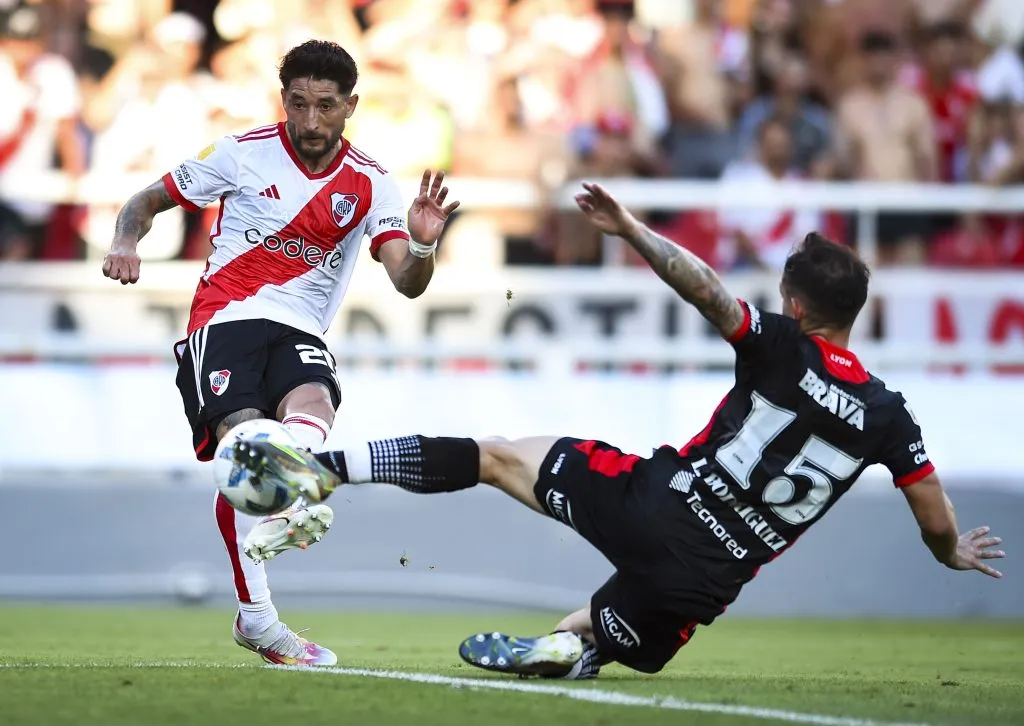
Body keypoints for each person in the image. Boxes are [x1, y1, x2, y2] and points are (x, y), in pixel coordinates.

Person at [227, 181, 1004, 680]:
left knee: (498, 457)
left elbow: (705, 290)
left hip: (660, 505)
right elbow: (933, 513)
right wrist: (952, 553)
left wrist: (631, 229)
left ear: (796, 307)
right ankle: (576, 646)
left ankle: (328, 468)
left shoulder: (780, 344)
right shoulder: (888, 412)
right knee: (611, 624)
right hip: (710, 580)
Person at [101, 40, 459, 667]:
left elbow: (407, 281)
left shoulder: (372, 182)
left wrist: (425, 246)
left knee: (312, 406)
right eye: (298, 104)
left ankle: (278, 538)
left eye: (326, 106)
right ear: (284, 100)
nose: (311, 121)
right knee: (247, 449)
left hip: (302, 330)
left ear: (351, 105)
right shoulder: (240, 153)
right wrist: (124, 241)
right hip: (227, 318)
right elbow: (145, 201)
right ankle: (262, 608)